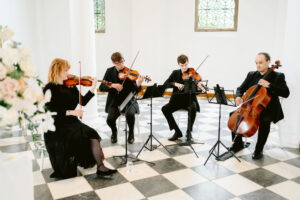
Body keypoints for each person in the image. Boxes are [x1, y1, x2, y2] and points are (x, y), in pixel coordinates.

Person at [43, 58, 117, 179]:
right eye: (65, 70)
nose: (68, 73)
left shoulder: (71, 85)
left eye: (68, 70)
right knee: (75, 138)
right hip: (57, 126)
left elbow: (83, 101)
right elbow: (50, 111)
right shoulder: (49, 88)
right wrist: (72, 112)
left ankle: (101, 167)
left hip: (72, 122)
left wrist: (93, 88)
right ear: (57, 71)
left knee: (92, 134)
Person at [230, 52, 290, 159]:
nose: (258, 65)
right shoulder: (252, 74)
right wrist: (238, 96)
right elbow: (241, 88)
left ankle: (259, 149)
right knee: (234, 115)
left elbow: (286, 93)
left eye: (261, 62)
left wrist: (269, 85)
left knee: (264, 120)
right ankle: (237, 144)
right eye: (256, 63)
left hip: (269, 108)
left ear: (268, 62)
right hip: (251, 106)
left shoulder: (278, 76)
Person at [99, 52, 144, 144]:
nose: (121, 65)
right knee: (109, 120)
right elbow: (101, 87)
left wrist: (139, 84)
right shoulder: (109, 71)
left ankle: (131, 133)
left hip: (129, 100)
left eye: (122, 62)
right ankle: (114, 132)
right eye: (118, 63)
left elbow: (135, 90)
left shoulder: (130, 72)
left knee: (130, 114)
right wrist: (113, 85)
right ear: (113, 62)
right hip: (115, 101)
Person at [161, 54, 204, 141]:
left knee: (193, 108)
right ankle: (177, 131)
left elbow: (197, 92)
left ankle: (189, 132)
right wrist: (175, 84)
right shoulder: (175, 73)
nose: (184, 67)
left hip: (189, 100)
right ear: (178, 64)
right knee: (165, 109)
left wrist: (199, 88)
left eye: (185, 65)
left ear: (188, 63)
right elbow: (166, 84)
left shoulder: (192, 73)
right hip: (176, 100)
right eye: (182, 65)